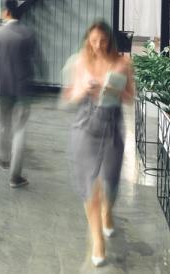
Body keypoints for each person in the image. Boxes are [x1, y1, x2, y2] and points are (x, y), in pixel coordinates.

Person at [61, 21, 134, 268]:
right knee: (90, 185)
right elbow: (69, 97)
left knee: (110, 182)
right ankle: (97, 241)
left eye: (102, 40)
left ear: (109, 40)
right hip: (85, 124)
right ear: (87, 40)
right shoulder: (80, 62)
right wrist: (83, 89)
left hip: (112, 124)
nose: (98, 45)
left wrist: (114, 89)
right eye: (93, 41)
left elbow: (130, 98)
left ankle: (107, 211)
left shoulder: (123, 63)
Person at [0, 0, 38, 190]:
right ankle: (15, 177)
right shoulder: (28, 33)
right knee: (20, 130)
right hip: (22, 89)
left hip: (1, 88)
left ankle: (4, 160)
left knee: (3, 126)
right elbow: (33, 61)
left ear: (6, 12)